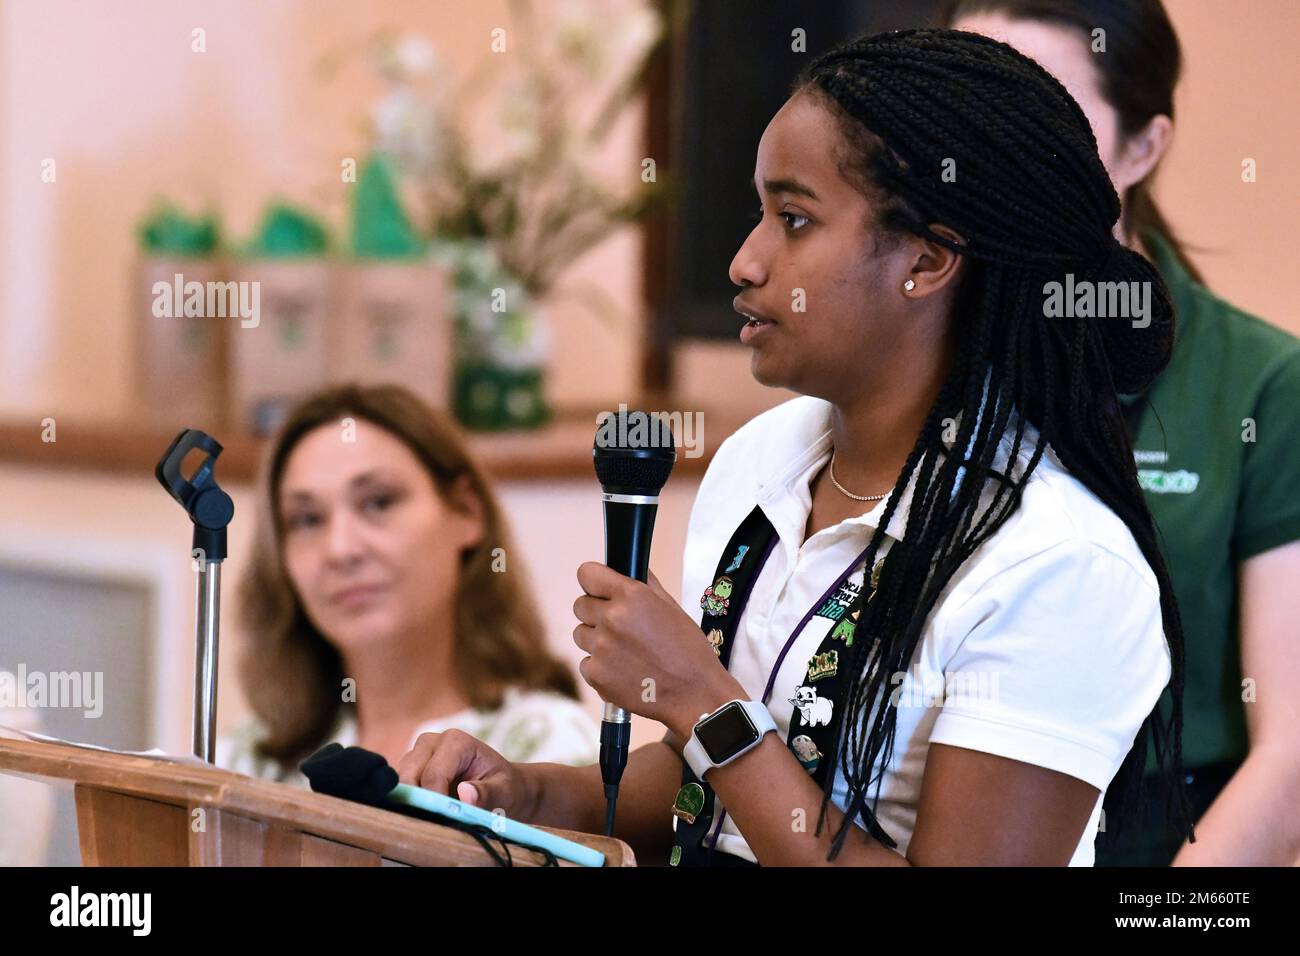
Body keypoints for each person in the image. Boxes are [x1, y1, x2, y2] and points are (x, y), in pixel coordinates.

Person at [396, 28, 1195, 866]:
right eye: (760, 214)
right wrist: (527, 793)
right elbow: (706, 785)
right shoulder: (763, 460)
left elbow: (724, 740)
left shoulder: (1056, 565)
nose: (745, 261)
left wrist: (703, 700)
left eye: (795, 219)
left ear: (926, 258)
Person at [943, 0, 1300, 868]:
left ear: (1143, 148)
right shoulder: (910, 354)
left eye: (1045, 115)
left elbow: (1291, 757)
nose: (998, 151)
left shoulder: (1261, 381)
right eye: (973, 110)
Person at [217, 384, 598, 787]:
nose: (341, 549)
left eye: (378, 502)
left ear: (467, 512)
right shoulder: (248, 760)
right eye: (308, 520)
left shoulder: (546, 750)